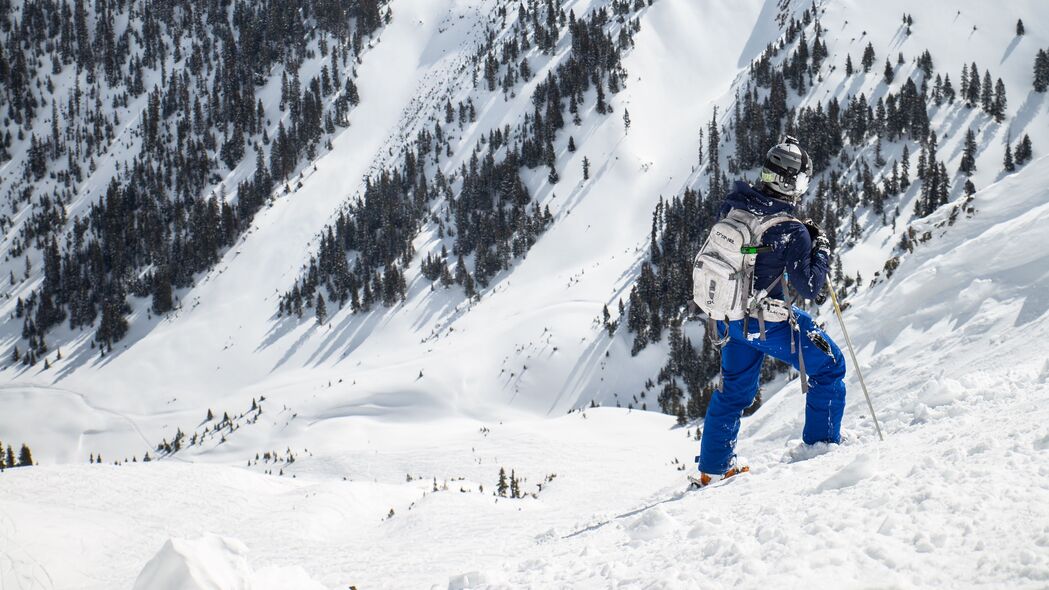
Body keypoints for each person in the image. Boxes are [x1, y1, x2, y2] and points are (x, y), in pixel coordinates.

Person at [695, 139, 847, 487]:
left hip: (730, 319)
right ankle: (821, 448)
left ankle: (713, 469)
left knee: (733, 393)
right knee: (830, 366)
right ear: (791, 183)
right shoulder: (791, 230)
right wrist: (820, 248)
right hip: (768, 323)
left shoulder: (733, 208)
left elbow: (752, 254)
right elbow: (809, 286)